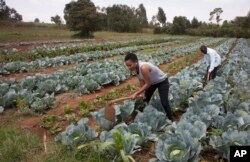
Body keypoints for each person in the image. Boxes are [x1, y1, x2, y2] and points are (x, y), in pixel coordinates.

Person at [124, 53, 174, 121]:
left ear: (136, 62)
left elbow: (148, 83)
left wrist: (136, 93)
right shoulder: (136, 69)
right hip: (152, 83)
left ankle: (171, 119)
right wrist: (143, 93)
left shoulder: (144, 67)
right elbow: (141, 81)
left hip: (162, 81)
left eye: (130, 65)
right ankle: (140, 116)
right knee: (144, 100)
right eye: (127, 66)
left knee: (164, 102)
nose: (129, 67)